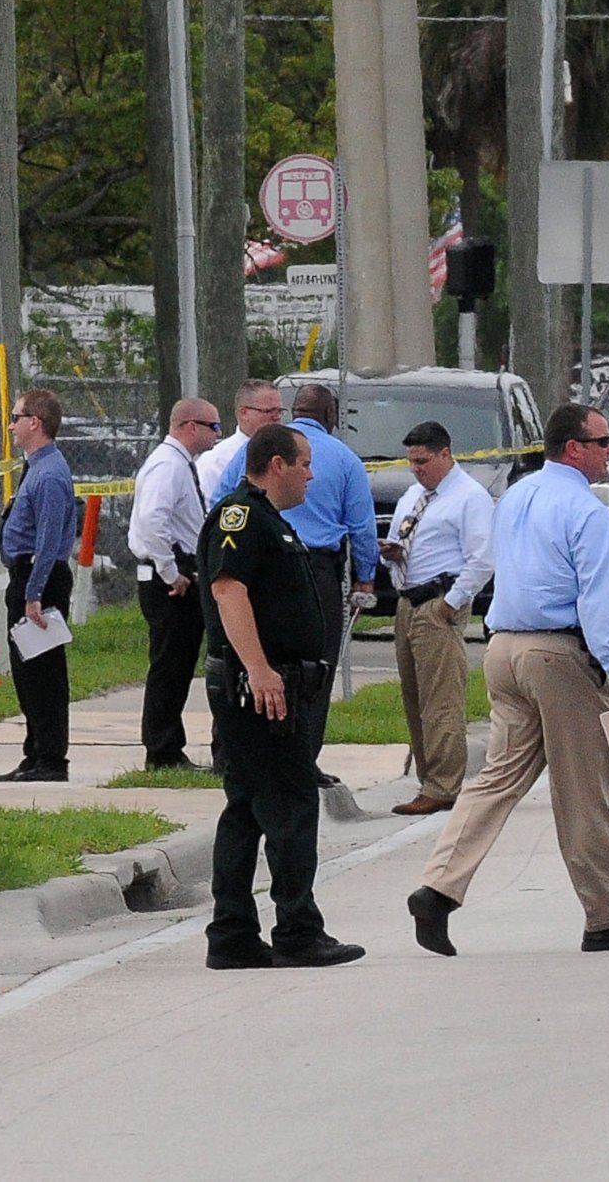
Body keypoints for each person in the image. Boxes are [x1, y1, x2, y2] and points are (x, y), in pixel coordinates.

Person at [407, 404, 609, 957]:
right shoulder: (587, 512)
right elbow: (600, 601)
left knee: (497, 778)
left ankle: (436, 888)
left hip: (503, 650)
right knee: (585, 791)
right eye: (603, 441)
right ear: (574, 447)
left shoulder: (517, 495)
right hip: (557, 654)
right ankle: (605, 918)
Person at [199, 422, 364, 969]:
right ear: (276, 464)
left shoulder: (270, 521)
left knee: (246, 807)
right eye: (304, 464)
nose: (311, 475)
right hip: (260, 689)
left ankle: (233, 935)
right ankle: (297, 931)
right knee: (292, 805)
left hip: (268, 683)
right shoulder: (240, 516)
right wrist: (260, 670)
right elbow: (228, 590)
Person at [213, 383, 375, 779]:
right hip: (314, 570)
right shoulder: (346, 459)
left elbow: (219, 501)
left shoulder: (254, 451)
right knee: (313, 668)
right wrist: (366, 580)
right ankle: (303, 758)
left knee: (242, 657)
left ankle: (230, 755)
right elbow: (362, 527)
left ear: (292, 411)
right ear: (331, 417)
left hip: (254, 567)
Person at [380, 421, 494, 816]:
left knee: (440, 699)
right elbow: (403, 539)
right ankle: (428, 779)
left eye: (423, 461)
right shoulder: (414, 495)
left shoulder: (469, 497)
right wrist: (391, 554)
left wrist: (452, 604)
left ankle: (444, 785)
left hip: (438, 601)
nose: (417, 469)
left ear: (445, 454)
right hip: (408, 600)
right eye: (412, 462)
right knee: (414, 696)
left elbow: (482, 559)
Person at [0, 390, 78, 783]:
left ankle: (52, 759)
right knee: (27, 674)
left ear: (35, 422)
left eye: (16, 417)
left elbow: (47, 540)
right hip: (25, 576)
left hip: (39, 580)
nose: (11, 425)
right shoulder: (35, 467)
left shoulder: (50, 474)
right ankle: (35, 752)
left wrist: (34, 594)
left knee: (43, 675)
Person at [130, 398, 221, 772]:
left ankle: (168, 744)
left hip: (178, 568)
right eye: (212, 426)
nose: (218, 434)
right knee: (170, 664)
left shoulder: (182, 465)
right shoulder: (168, 466)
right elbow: (153, 522)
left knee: (179, 663)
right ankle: (162, 749)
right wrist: (172, 572)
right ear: (189, 426)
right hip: (168, 578)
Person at [196, 379, 284, 496]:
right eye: (269, 411)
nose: (276, 417)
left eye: (280, 411)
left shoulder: (289, 452)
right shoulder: (217, 461)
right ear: (244, 413)